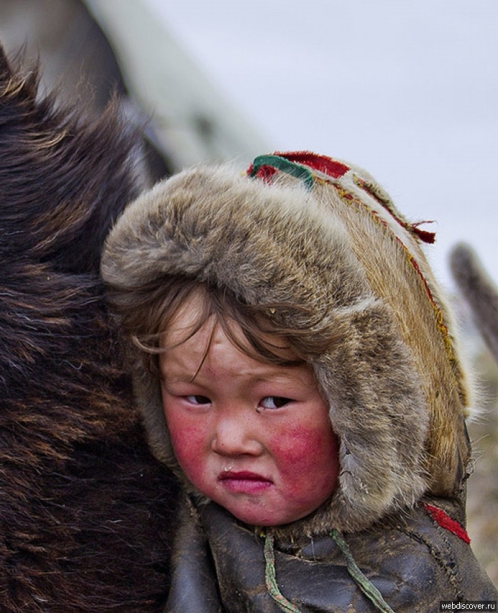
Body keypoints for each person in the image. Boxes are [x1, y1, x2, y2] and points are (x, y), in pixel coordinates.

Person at [101, 151, 498, 611]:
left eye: (272, 401)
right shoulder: (153, 524)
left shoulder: (426, 579)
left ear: (367, 411)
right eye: (195, 397)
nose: (229, 439)